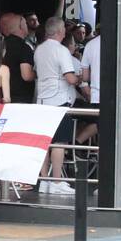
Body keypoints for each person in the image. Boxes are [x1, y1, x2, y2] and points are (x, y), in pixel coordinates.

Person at [34, 17, 80, 196]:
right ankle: (57, 180)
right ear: (61, 32)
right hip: (59, 98)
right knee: (60, 142)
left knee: (44, 141)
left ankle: (44, 180)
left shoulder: (39, 49)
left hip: (42, 98)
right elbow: (70, 78)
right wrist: (80, 79)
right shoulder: (61, 50)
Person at [0, 15, 35, 103]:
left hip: (2, 96)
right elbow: (27, 75)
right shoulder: (23, 48)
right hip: (21, 98)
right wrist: (37, 73)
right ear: (21, 26)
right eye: (25, 23)